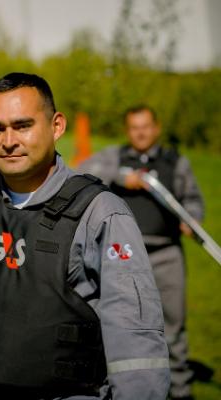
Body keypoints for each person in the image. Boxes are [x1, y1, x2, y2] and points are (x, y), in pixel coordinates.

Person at [0, 73, 171, 399]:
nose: (8, 141)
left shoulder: (101, 212)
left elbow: (135, 337)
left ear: (56, 126)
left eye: (23, 125)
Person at [78, 105, 204, 400]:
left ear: (156, 127)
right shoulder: (115, 157)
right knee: (120, 327)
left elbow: (194, 200)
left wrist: (192, 219)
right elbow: (82, 171)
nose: (141, 132)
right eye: (134, 127)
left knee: (173, 328)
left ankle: (180, 391)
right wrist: (122, 178)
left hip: (167, 254)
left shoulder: (176, 162)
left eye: (146, 126)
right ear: (127, 130)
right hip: (121, 259)